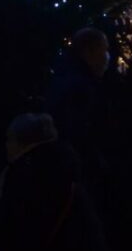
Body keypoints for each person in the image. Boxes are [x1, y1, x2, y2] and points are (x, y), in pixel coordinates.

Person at [0, 114, 106, 250]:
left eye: (8, 139)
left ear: (20, 140)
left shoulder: (31, 172)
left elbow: (9, 222)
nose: (5, 145)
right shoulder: (58, 166)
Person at [45, 28, 111, 207]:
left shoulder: (68, 78)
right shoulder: (80, 87)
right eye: (104, 50)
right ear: (89, 52)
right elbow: (80, 131)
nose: (107, 57)